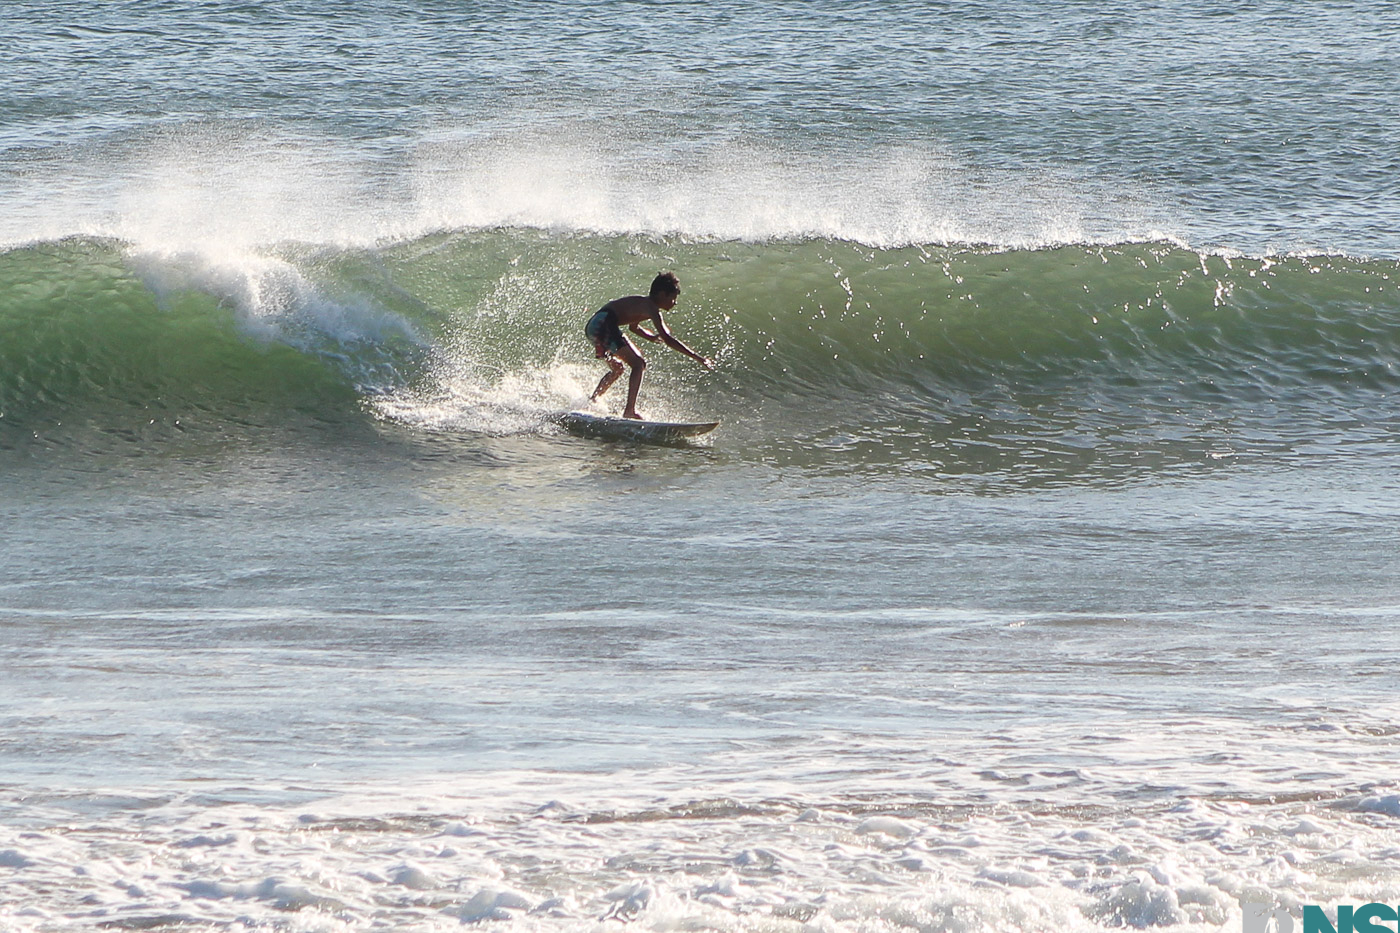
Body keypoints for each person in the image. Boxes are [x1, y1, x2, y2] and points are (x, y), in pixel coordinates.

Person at [584, 272, 713, 420]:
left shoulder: (643, 305)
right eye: (673, 298)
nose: (674, 303)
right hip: (604, 323)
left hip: (595, 324)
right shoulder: (651, 308)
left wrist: (650, 337)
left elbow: (633, 327)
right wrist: (698, 358)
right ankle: (629, 411)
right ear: (662, 294)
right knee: (638, 364)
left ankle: (593, 400)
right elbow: (668, 339)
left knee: (618, 368)